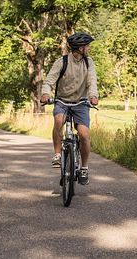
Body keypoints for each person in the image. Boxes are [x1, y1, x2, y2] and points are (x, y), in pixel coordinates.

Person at [40, 32, 99, 185]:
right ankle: (57, 155)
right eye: (87, 46)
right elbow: (49, 81)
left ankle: (84, 168)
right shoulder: (62, 62)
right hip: (62, 101)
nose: (89, 48)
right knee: (59, 121)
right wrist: (46, 94)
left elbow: (92, 81)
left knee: (84, 135)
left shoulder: (89, 62)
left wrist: (93, 96)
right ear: (79, 48)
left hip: (81, 102)